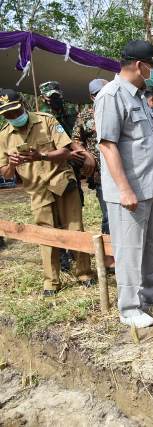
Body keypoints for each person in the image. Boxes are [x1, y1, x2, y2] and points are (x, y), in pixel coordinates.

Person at [94, 39, 153, 328]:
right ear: (141, 66)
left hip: (152, 186)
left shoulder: (140, 96)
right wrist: (124, 188)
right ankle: (129, 307)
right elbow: (107, 145)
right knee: (129, 249)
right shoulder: (111, 95)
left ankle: (152, 294)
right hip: (129, 191)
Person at [0, 89, 96, 296]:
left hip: (61, 181)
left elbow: (66, 150)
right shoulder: (4, 135)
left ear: (23, 105)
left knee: (75, 229)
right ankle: (51, 282)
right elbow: (5, 173)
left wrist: (40, 156)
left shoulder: (47, 121)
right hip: (37, 190)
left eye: (15, 111)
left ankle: (84, 273)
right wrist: (12, 165)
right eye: (7, 114)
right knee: (45, 234)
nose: (13, 117)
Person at [40, 80, 81, 271]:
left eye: (58, 96)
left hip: (71, 172)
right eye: (51, 97)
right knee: (55, 217)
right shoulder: (40, 119)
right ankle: (62, 257)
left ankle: (75, 251)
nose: (56, 100)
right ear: (44, 98)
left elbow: (76, 139)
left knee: (73, 215)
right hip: (52, 173)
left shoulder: (71, 115)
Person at [72, 79, 110, 235]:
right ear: (92, 97)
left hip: (125, 170)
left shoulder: (121, 110)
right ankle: (109, 254)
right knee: (108, 214)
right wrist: (86, 154)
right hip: (101, 174)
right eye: (97, 94)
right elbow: (75, 140)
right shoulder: (85, 115)